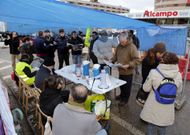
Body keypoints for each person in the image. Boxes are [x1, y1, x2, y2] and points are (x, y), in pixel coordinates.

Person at [140, 52, 182, 135]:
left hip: (153, 105)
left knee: (151, 125)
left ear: (162, 61)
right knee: (163, 127)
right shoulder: (178, 75)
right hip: (168, 105)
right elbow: (178, 91)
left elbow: (146, 88)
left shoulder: (154, 72)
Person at [111, 31, 141, 106]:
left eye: (123, 42)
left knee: (127, 87)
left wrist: (129, 65)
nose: (121, 43)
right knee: (121, 85)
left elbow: (137, 60)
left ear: (127, 39)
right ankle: (121, 96)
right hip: (120, 70)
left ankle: (125, 99)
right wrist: (111, 61)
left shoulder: (132, 47)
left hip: (128, 71)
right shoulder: (119, 46)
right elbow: (116, 55)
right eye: (120, 42)